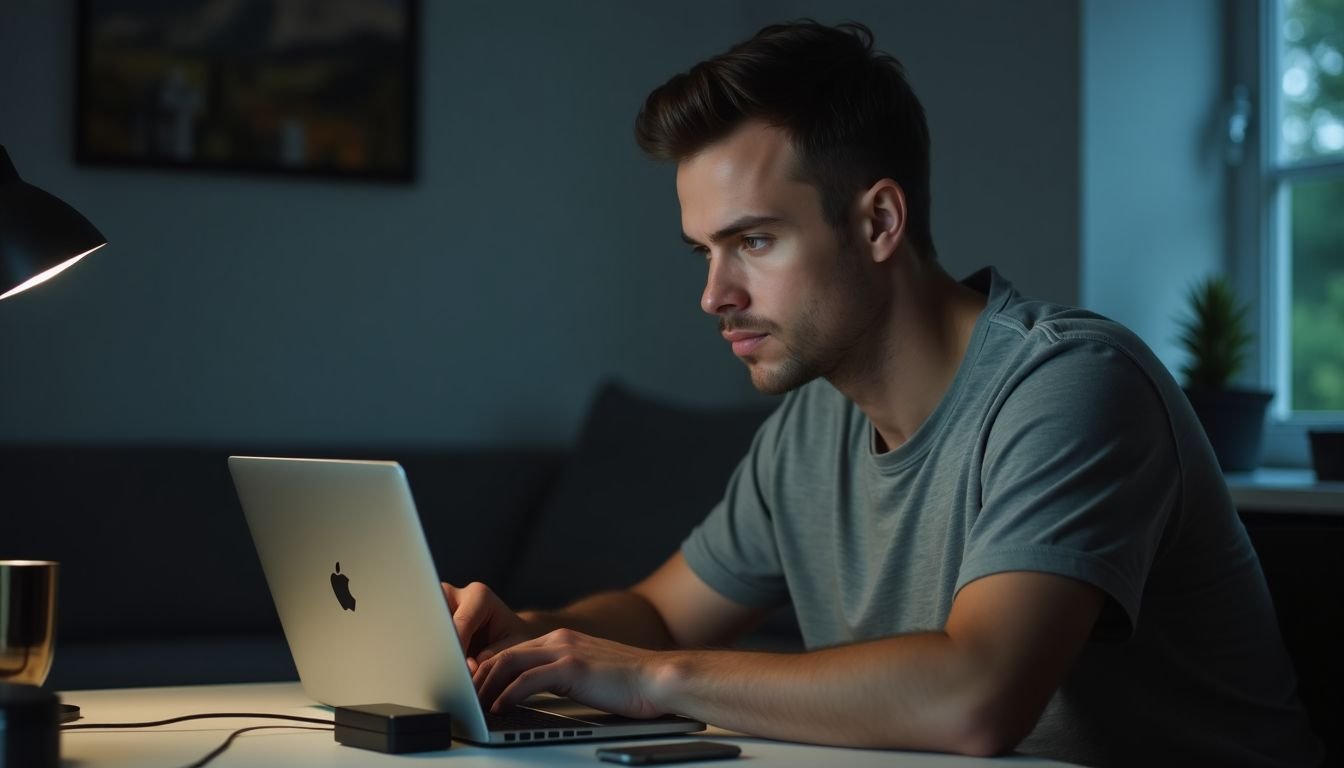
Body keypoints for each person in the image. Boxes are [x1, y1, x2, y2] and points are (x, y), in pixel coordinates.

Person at [444, 20, 1323, 766]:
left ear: (878, 222)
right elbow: (658, 615)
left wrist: (644, 677)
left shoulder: (1072, 386)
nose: (713, 295)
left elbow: (975, 698)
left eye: (751, 243)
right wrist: (530, 638)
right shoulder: (809, 428)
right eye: (703, 251)